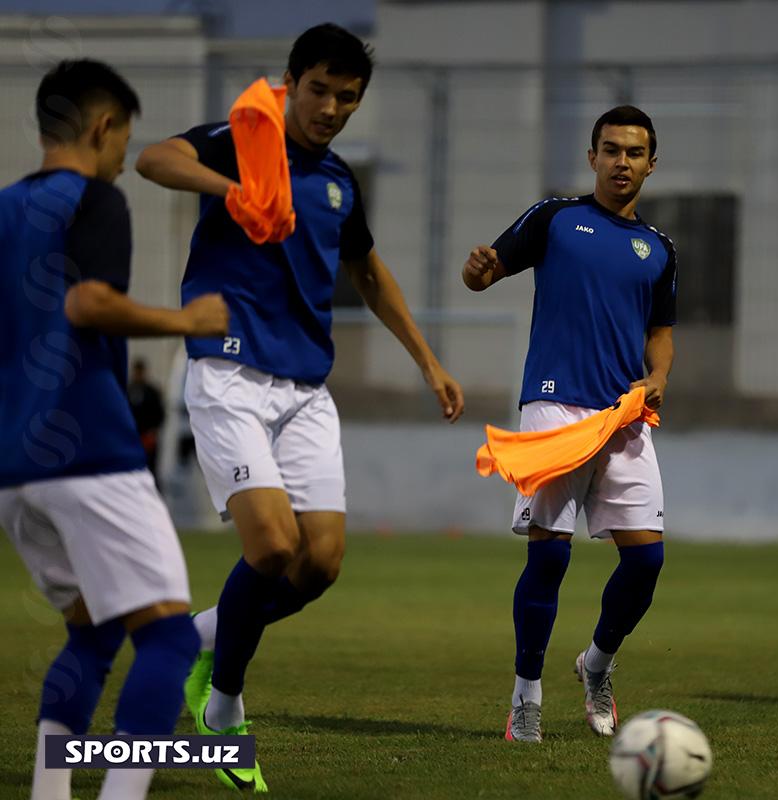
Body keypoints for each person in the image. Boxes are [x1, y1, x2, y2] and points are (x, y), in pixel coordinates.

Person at [136, 23, 464, 790]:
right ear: (292, 81)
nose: (331, 108)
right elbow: (155, 159)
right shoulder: (243, 141)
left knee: (320, 565)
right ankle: (222, 705)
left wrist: (429, 362)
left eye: (348, 98)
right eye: (319, 91)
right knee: (273, 548)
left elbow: (372, 276)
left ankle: (199, 639)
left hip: (306, 390)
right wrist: (232, 189)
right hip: (230, 375)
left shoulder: (341, 181)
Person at [0, 59, 228, 800]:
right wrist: (186, 320)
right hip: (88, 451)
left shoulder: (4, 211)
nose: (124, 159)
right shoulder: (95, 201)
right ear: (102, 127)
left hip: (14, 470)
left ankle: (48, 790)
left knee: (95, 632)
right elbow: (89, 304)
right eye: (123, 141)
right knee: (163, 637)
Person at [463, 105, 677, 742]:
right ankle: (526, 695)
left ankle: (597, 664)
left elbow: (661, 336)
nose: (621, 162)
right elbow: (485, 272)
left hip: (623, 413)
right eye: (610, 150)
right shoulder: (556, 217)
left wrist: (658, 377)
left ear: (650, 164)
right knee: (550, 555)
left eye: (634, 153)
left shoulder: (660, 249)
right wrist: (477, 272)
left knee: (647, 562)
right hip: (554, 405)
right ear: (593, 158)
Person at [127, 358, 165, 483]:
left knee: (150, 470)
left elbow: (160, 414)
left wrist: (152, 432)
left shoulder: (152, 392)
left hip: (148, 438)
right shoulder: (127, 390)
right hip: (132, 438)